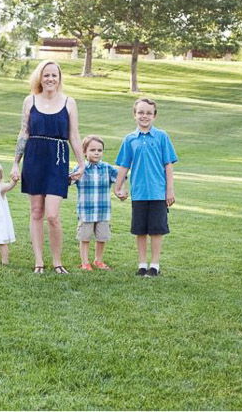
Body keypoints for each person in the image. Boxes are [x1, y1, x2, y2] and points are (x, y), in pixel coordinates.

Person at [11, 60, 85, 274]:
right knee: (36, 212)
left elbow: (74, 134)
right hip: (34, 157)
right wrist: (16, 162)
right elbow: (23, 132)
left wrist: (81, 164)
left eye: (54, 75)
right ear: (40, 78)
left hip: (58, 159)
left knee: (52, 215)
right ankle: (39, 262)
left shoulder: (69, 102)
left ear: (59, 78)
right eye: (46, 75)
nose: (50, 79)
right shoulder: (30, 100)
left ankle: (57, 262)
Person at [114, 98, 177, 277]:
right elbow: (124, 165)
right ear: (135, 115)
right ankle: (142, 264)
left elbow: (168, 165)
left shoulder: (162, 137)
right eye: (141, 112)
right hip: (139, 193)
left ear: (154, 116)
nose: (144, 116)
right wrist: (118, 186)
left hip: (158, 192)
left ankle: (154, 265)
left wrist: (169, 190)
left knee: (156, 230)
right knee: (140, 230)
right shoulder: (129, 139)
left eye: (149, 113)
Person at [71, 135, 120, 271]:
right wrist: (71, 177)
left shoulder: (107, 168)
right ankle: (85, 262)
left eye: (99, 150)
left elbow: (120, 178)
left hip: (103, 210)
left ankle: (98, 260)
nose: (97, 153)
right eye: (92, 150)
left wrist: (121, 190)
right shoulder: (81, 169)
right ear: (84, 152)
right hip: (86, 211)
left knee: (102, 237)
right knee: (85, 237)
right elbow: (69, 181)